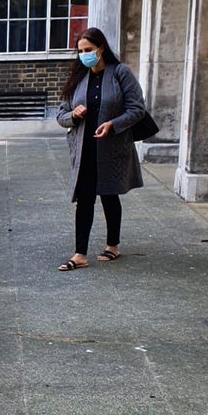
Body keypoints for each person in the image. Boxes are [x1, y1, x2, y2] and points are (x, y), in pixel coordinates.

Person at [55, 27, 145, 271]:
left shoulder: (120, 73)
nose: (84, 55)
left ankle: (113, 246)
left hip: (111, 147)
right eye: (80, 51)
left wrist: (113, 124)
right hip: (84, 149)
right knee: (84, 199)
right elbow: (60, 114)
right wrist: (73, 115)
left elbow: (137, 108)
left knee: (109, 194)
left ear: (101, 48)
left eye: (89, 50)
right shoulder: (78, 79)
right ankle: (80, 254)